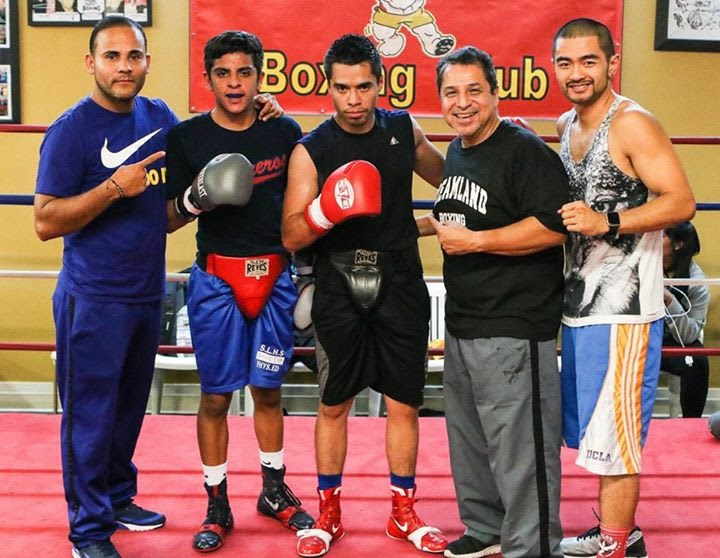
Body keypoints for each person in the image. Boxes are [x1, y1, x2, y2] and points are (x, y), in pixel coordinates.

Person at [281, 33, 446, 558]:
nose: (353, 100)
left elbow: (451, 178)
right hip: (338, 281)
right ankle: (328, 513)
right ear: (328, 87)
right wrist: (327, 211)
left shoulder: (402, 129)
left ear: (382, 85)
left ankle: (403, 512)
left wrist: (489, 144)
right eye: (342, 88)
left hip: (401, 280)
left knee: (404, 404)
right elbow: (290, 235)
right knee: (334, 404)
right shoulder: (313, 149)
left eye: (363, 87)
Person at [165, 30, 314, 553]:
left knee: (269, 390)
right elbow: (163, 221)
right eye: (223, 73)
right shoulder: (187, 138)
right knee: (215, 395)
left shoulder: (284, 130)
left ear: (260, 77)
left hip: (274, 278)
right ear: (207, 79)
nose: (234, 83)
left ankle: (273, 491)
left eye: (244, 73)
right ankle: (217, 502)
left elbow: (302, 204)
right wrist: (195, 198)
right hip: (218, 281)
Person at [553, 18, 696, 558]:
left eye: (588, 61)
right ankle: (617, 530)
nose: (577, 73)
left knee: (616, 435)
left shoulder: (633, 123)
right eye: (565, 62)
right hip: (579, 307)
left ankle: (617, 542)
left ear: (611, 62)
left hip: (626, 308)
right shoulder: (566, 124)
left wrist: (608, 222)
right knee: (594, 432)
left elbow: (681, 201)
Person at [33, 16, 176, 558]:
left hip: (145, 293)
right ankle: (88, 531)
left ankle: (116, 498)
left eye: (133, 56)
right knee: (90, 417)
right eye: (112, 56)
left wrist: (263, 113)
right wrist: (114, 186)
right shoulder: (72, 130)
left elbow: (165, 206)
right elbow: (46, 221)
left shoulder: (159, 116)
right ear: (91, 63)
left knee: (126, 412)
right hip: (92, 298)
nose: (124, 66)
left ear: (146, 61)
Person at [419, 46, 568, 558]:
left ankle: (534, 546)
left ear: (495, 93)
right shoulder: (460, 150)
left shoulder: (523, 150)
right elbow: (466, 213)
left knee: (522, 450)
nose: (463, 103)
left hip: (515, 322)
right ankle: (486, 527)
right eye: (452, 92)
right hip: (464, 320)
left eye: (474, 91)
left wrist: (479, 243)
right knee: (472, 440)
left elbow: (554, 225)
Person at [661, 221, 710, 418]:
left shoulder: (696, 282)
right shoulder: (642, 267)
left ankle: (692, 424)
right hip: (642, 338)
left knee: (697, 362)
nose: (652, 238)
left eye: (661, 235)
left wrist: (669, 299)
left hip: (674, 341)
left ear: (678, 244)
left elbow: (689, 335)